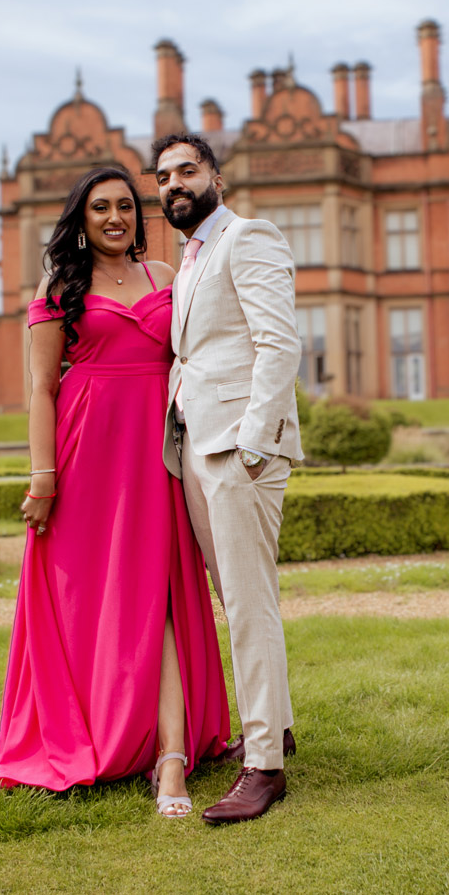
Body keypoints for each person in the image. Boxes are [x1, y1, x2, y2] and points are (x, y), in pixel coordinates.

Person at [0, 165, 230, 817]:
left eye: (126, 205)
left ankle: (171, 759)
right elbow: (40, 385)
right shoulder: (60, 285)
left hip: (158, 452)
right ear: (82, 217)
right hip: (87, 450)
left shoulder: (167, 279)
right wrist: (43, 477)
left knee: (168, 597)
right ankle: (109, 730)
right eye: (101, 207)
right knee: (94, 598)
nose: (116, 216)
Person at [154, 132, 303, 825]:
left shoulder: (248, 237)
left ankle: (264, 766)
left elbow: (280, 344)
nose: (174, 184)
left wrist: (251, 446)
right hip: (196, 446)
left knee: (248, 603)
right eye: (163, 176)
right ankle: (278, 724)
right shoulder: (190, 257)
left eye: (187, 170)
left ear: (217, 175)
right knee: (241, 595)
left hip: (238, 451)